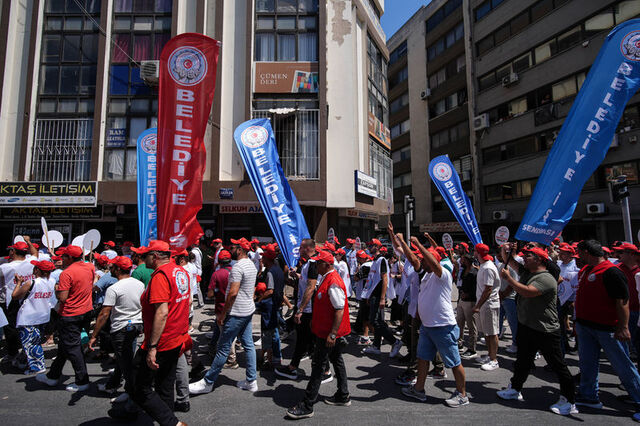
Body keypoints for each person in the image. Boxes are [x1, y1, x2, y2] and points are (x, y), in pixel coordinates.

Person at [109, 240, 190, 426]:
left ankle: (173, 423)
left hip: (162, 340)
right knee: (165, 384)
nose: (141, 258)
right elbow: (185, 303)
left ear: (154, 257)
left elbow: (162, 312)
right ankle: (167, 420)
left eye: (144, 255)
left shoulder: (161, 276)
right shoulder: (180, 271)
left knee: (138, 385)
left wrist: (152, 347)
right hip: (175, 337)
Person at [496, 246, 577, 416]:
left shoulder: (546, 278)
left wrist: (509, 279)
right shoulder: (527, 272)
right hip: (527, 326)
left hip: (545, 329)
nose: (524, 258)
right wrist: (504, 248)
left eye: (528, 256)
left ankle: (569, 400)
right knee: (523, 361)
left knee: (557, 365)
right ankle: (515, 388)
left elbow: (528, 292)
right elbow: (510, 261)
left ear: (539, 259)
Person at [573, 240, 640, 421]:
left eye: (580, 253)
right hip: (586, 326)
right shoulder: (587, 270)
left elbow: (622, 301)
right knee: (587, 364)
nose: (578, 256)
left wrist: (623, 327)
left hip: (607, 329)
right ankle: (588, 396)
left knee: (623, 366)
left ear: (587, 252)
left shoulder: (611, 271)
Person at [400, 236, 469, 407]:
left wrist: (418, 244)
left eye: (424, 260)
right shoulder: (426, 276)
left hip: (443, 326)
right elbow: (413, 260)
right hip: (427, 326)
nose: (421, 262)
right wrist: (402, 242)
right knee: (423, 358)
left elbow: (434, 264)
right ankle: (418, 389)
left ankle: (462, 394)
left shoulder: (442, 274)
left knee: (454, 362)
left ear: (432, 261)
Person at [286, 250, 351, 419]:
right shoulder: (326, 278)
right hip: (324, 331)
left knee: (318, 367)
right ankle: (343, 395)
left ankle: (307, 405)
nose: (315, 266)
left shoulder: (333, 281)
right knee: (336, 360)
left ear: (326, 265)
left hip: (328, 334)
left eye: (318, 263)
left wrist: (333, 334)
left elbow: (339, 309)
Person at [189, 237, 258, 395]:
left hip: (236, 313)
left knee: (223, 348)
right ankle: (251, 381)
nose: (230, 249)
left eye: (233, 247)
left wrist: (223, 314)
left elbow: (232, 293)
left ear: (240, 250)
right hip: (247, 310)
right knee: (248, 345)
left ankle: (208, 382)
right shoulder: (251, 265)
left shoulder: (238, 267)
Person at [37, 245, 94, 392]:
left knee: (73, 348)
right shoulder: (90, 267)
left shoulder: (66, 273)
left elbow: (62, 297)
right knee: (64, 346)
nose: (61, 259)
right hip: (85, 311)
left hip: (70, 314)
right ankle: (53, 376)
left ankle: (82, 381)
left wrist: (56, 290)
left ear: (70, 257)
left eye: (63, 256)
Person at [89, 256, 144, 405]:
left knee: (126, 364)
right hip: (136, 325)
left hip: (121, 328)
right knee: (124, 359)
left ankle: (133, 396)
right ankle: (114, 385)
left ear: (118, 269)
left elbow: (104, 314)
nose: (110, 270)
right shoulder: (139, 284)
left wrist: (94, 335)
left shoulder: (114, 288)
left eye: (112, 267)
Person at [275, 239, 321, 381]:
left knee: (305, 339)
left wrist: (300, 309)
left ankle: (320, 371)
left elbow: (311, 287)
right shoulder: (308, 263)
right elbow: (307, 281)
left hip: (308, 309)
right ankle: (298, 367)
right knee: (305, 340)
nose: (298, 250)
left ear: (307, 248)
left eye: (301, 247)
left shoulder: (313, 263)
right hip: (305, 307)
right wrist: (297, 276)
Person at [361, 238, 403, 357]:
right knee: (378, 321)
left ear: (378, 247)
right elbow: (372, 280)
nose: (369, 247)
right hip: (373, 295)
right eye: (369, 245)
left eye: (371, 245)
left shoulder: (382, 260)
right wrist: (368, 295)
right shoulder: (375, 260)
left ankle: (395, 342)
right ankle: (376, 346)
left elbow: (385, 279)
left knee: (375, 321)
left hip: (378, 295)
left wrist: (382, 298)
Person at [13, 260, 56, 374]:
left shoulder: (31, 282)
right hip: (43, 316)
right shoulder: (52, 281)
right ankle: (22, 361)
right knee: (32, 341)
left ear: (37, 270)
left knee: (31, 343)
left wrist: (18, 283)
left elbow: (15, 296)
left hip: (29, 317)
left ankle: (37, 367)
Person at [0, 239, 37, 366]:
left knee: (10, 328)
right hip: (27, 299)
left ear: (13, 252)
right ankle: (22, 350)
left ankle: (13, 353)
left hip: (11, 300)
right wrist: (29, 242)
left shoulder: (6, 267)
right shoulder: (31, 261)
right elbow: (35, 253)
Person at [206, 249, 237, 368]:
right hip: (235, 307)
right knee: (227, 332)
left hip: (221, 308)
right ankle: (216, 349)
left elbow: (210, 294)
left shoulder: (217, 274)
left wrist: (218, 291)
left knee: (226, 334)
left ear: (219, 262)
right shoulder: (236, 271)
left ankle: (231, 359)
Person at [473, 243, 501, 371]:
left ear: (478, 253)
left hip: (489, 304)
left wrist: (478, 306)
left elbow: (488, 289)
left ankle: (494, 360)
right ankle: (490, 355)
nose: (473, 252)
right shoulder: (484, 266)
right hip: (484, 304)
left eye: (475, 251)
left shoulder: (488, 268)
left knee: (492, 332)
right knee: (487, 333)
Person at [257, 244, 285, 369]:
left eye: (263, 257)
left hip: (270, 306)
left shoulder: (270, 272)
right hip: (276, 305)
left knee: (270, 334)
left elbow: (270, 291)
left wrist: (259, 299)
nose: (261, 259)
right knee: (274, 333)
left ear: (267, 259)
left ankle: (272, 359)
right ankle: (274, 358)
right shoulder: (278, 270)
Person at [616, 243, 640, 355]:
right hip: (624, 311)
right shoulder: (616, 269)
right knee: (625, 342)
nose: (618, 254)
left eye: (621, 252)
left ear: (631, 254)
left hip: (638, 311)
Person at [456, 254, 478, 359]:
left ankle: (472, 348)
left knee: (471, 326)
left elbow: (476, 288)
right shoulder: (463, 271)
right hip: (461, 300)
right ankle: (459, 343)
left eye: (463, 260)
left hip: (470, 301)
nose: (461, 262)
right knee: (459, 322)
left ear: (468, 261)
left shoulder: (474, 273)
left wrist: (468, 294)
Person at [496, 251, 519, 354]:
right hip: (501, 297)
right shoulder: (499, 265)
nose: (498, 256)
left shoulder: (512, 267)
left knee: (513, 322)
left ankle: (515, 344)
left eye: (500, 255)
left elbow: (513, 283)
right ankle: (496, 337)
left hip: (510, 298)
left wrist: (504, 294)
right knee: (498, 319)